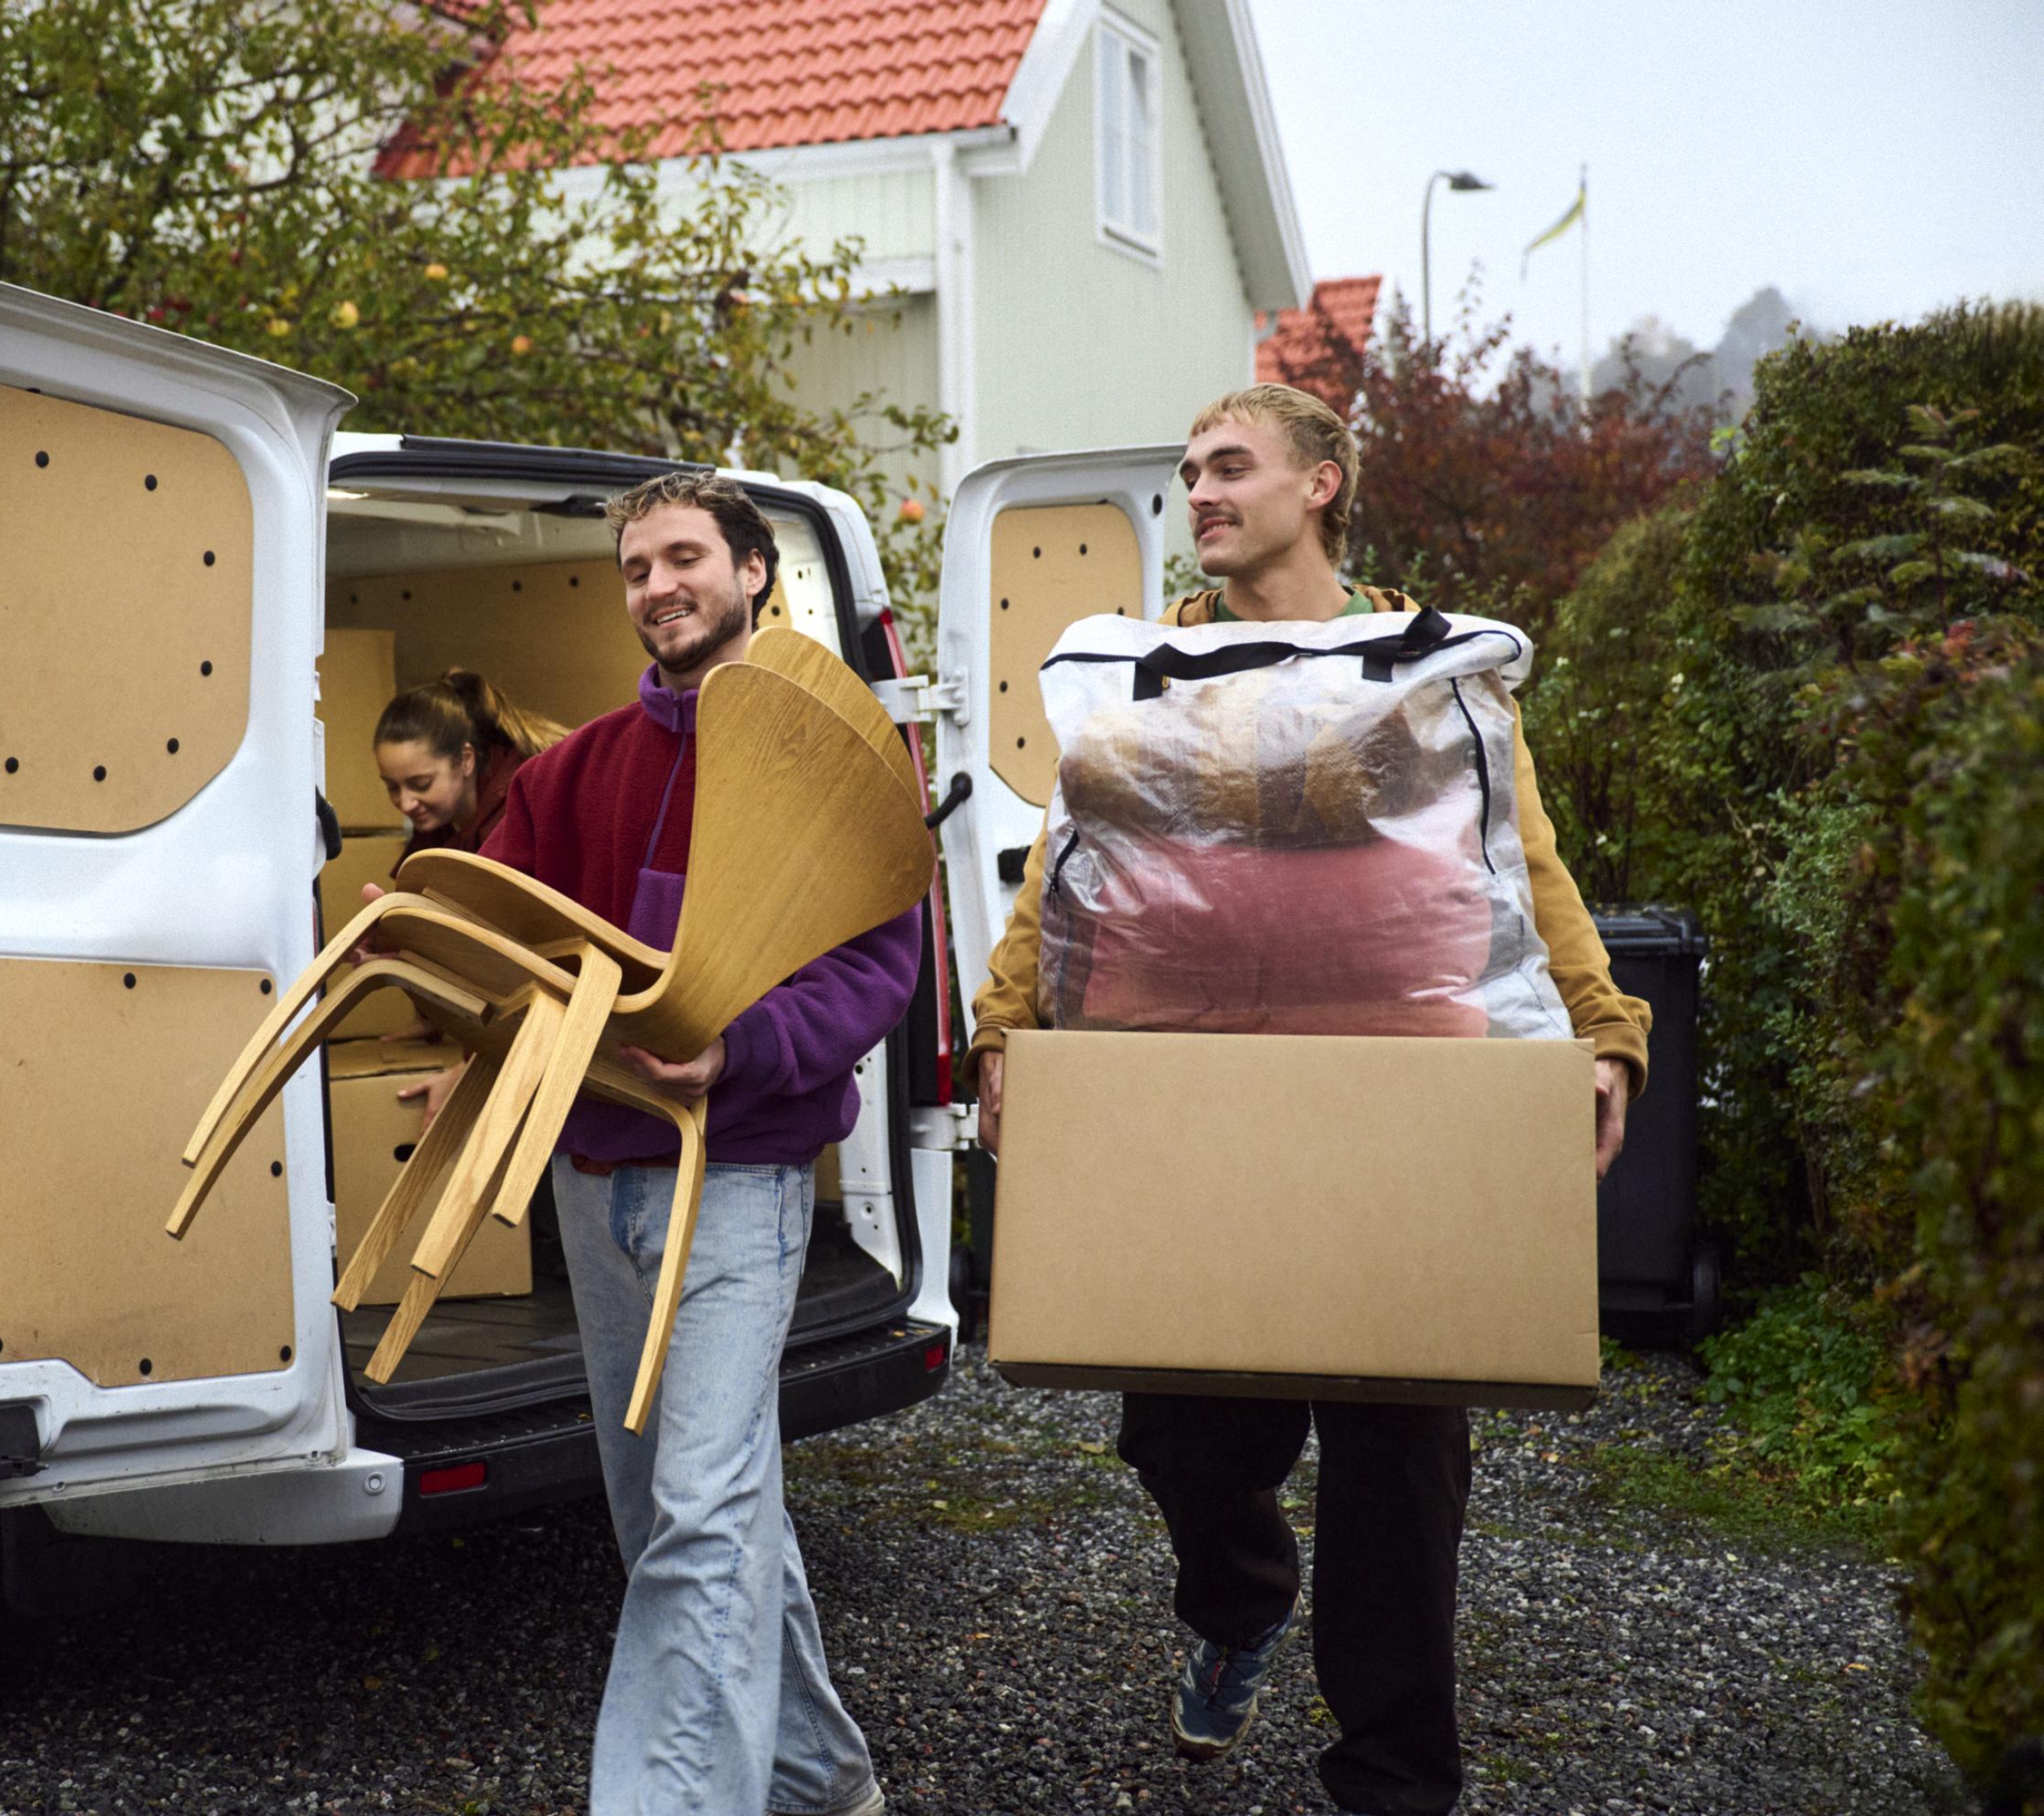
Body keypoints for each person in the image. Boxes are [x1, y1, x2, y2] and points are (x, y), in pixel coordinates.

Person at [965, 382, 1652, 1816]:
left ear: (1323, 483)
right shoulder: (1148, 675)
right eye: (1189, 472)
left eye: (1231, 466)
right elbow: (1067, 873)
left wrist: (1604, 1031)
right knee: (1183, 1433)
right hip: (1187, 1109)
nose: (1201, 493)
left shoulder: (1423, 671)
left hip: (1406, 1106)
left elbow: (1517, 863)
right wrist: (1003, 1031)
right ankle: (1239, 1601)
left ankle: (1393, 1780)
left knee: (1399, 1467)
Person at [431, 471, 917, 1816]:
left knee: (699, 1512)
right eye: (637, 567)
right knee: (677, 1512)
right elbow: (512, 940)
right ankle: (820, 1777)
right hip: (594, 1185)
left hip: (739, 1178)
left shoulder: (828, 759)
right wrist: (457, 982)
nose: (658, 586)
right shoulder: (573, 771)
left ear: (753, 571)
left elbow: (878, 964)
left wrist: (739, 1048)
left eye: (685, 557)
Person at [371, 669, 568, 864]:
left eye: (421, 784)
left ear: (466, 760)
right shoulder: (438, 821)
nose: (405, 804)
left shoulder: (522, 805)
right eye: (392, 787)